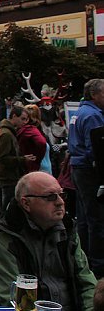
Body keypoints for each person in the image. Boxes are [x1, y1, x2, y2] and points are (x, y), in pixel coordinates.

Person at [0, 172, 97, 311]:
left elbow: (86, 282)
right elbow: (12, 299)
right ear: (26, 203)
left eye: (62, 195)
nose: (60, 202)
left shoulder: (67, 230)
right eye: (50, 197)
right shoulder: (3, 237)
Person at [68, 78, 104, 279]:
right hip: (89, 171)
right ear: (94, 94)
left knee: (83, 217)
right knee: (96, 218)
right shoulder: (93, 116)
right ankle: (97, 263)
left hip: (78, 167)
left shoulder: (80, 112)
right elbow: (97, 148)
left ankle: (83, 258)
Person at [0, 106, 35, 209]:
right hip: (8, 177)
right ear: (14, 116)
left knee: (10, 205)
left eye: (26, 119)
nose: (25, 122)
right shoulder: (6, 134)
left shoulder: (10, 132)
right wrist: (23, 159)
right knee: (8, 206)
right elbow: (2, 157)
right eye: (22, 119)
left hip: (11, 176)